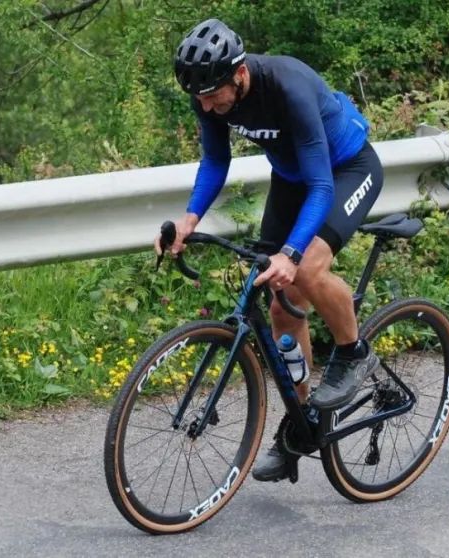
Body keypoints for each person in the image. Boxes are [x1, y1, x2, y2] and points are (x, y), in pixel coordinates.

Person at [155, 18, 386, 483]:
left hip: (345, 172)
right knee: (282, 306)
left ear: (239, 75)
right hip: (294, 179)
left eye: (212, 94)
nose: (206, 105)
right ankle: (300, 427)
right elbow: (215, 160)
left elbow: (322, 185)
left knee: (304, 271)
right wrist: (189, 220)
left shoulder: (288, 85)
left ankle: (354, 351)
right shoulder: (207, 95)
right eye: (198, 97)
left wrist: (292, 252)